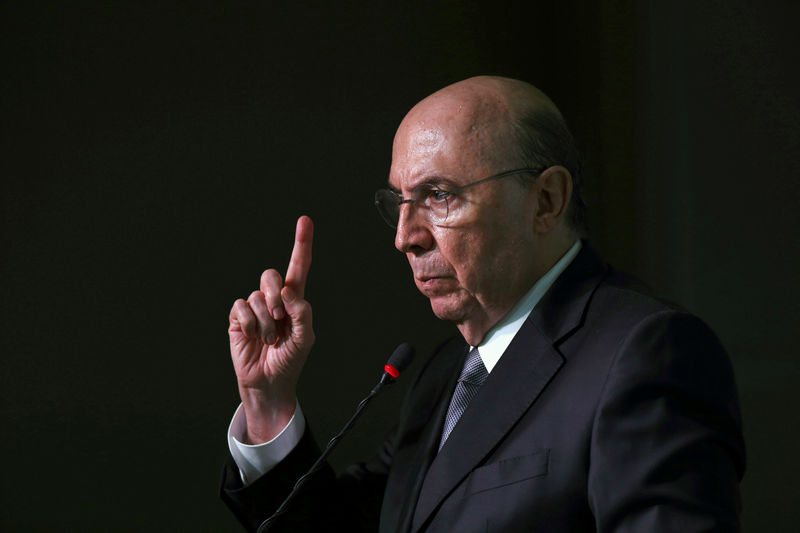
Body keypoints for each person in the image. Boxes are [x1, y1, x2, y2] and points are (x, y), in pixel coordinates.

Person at [220, 76, 745, 532]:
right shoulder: (444, 375)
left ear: (545, 201)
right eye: (399, 202)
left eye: (440, 196)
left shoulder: (646, 352)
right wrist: (268, 404)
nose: (405, 238)